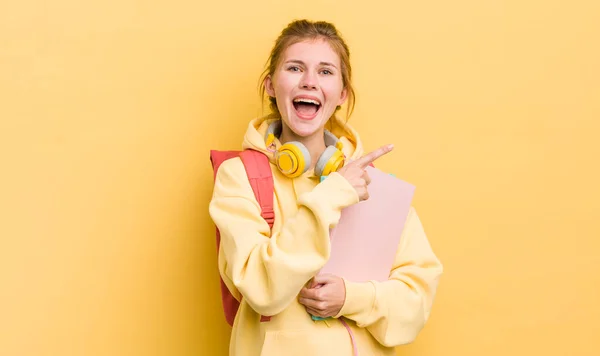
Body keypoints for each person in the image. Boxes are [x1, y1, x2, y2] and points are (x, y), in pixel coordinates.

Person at [209, 19, 443, 356]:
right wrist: (332, 195)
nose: (309, 82)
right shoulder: (239, 176)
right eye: (294, 68)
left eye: (325, 72)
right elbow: (261, 288)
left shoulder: (371, 183)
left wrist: (351, 297)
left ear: (342, 93)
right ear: (271, 85)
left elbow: (415, 304)